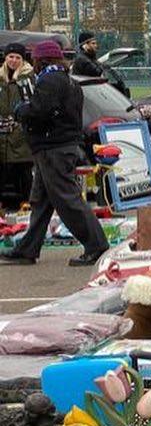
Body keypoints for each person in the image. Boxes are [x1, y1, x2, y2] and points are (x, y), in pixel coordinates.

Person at [0, 40, 109, 267]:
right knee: (40, 202)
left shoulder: (49, 80)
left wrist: (22, 110)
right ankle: (27, 249)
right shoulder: (70, 81)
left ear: (40, 60)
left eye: (35, 59)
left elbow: (41, 111)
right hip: (60, 146)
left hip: (53, 149)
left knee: (67, 199)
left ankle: (96, 245)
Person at [0, 43, 35, 207]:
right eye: (10, 57)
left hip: (21, 137)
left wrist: (19, 123)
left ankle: (28, 209)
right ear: (5, 58)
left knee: (24, 176)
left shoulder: (28, 78)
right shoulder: (1, 78)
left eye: (17, 57)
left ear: (23, 60)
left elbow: (32, 105)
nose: (13, 61)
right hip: (2, 137)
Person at [71, 31, 130, 98]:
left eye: (96, 43)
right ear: (85, 46)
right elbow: (97, 72)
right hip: (87, 95)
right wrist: (103, 65)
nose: (96, 46)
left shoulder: (90, 58)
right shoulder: (82, 59)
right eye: (93, 43)